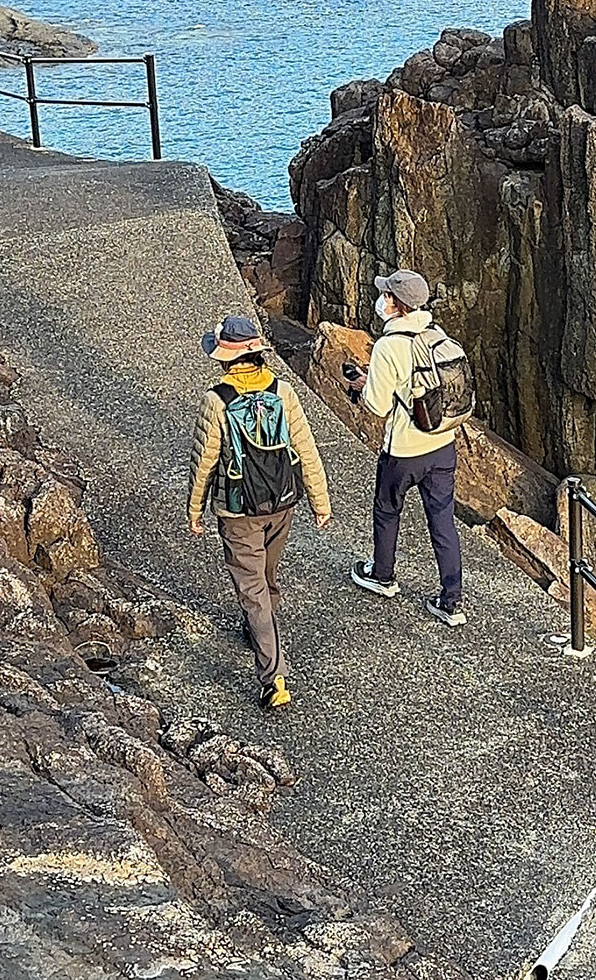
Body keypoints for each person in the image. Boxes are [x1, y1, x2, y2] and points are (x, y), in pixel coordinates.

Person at [188, 312, 331, 710]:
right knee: (267, 576)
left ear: (224, 359)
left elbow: (204, 461)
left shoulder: (217, 401)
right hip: (282, 502)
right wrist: (321, 503)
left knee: (252, 591)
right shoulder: (283, 392)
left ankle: (274, 677)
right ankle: (260, 630)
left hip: (238, 510)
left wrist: (194, 509)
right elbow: (306, 450)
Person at [347, 269, 466, 626]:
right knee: (443, 521)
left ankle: (382, 576)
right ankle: (452, 601)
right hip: (443, 443)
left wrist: (361, 386)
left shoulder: (389, 345)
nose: (381, 301)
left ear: (395, 305)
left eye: (386, 296)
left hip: (404, 450)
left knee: (387, 509)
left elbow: (378, 406)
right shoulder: (437, 335)